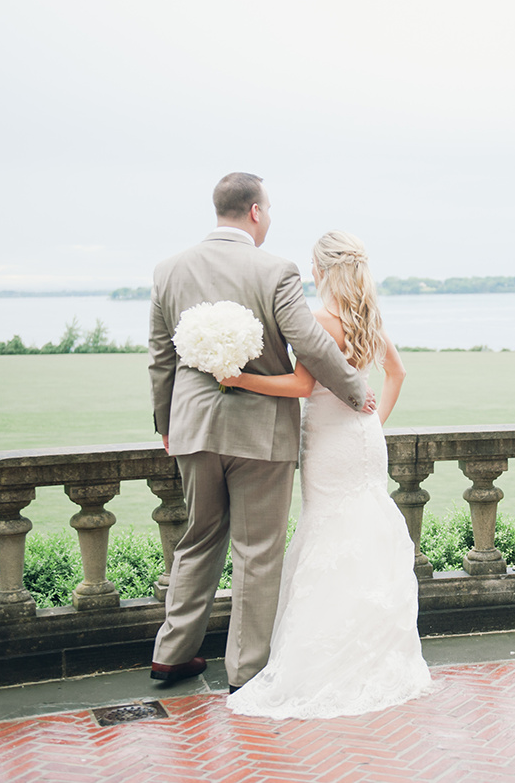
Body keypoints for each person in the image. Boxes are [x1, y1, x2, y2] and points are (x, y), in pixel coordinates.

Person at [148, 173, 372, 691]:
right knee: (258, 549)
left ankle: (170, 654)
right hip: (261, 435)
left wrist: (166, 424)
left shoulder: (168, 271)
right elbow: (311, 344)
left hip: (194, 429)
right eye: (268, 209)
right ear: (254, 211)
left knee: (198, 538)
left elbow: (161, 359)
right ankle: (245, 671)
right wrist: (355, 391)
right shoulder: (276, 270)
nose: (269, 218)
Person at [223, 230, 433, 720]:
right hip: (363, 440)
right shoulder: (367, 318)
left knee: (327, 531)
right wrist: (374, 424)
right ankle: (375, 652)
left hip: (330, 445)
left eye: (312, 267)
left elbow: (301, 384)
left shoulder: (321, 320)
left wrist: (240, 379)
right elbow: (397, 374)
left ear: (322, 270)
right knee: (364, 532)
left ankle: (325, 659)